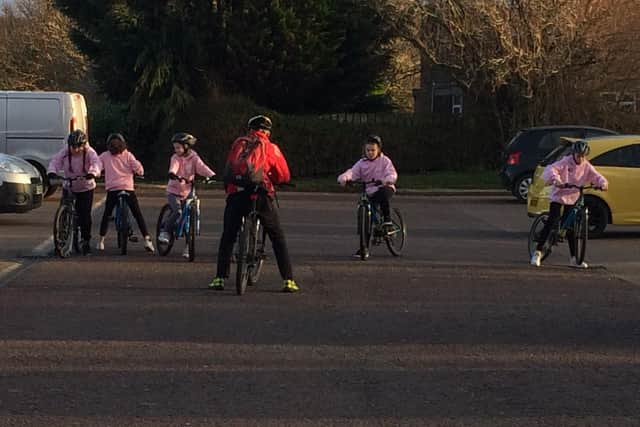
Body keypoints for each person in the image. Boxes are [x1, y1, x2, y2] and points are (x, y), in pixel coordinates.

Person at [209, 115, 299, 292]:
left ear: (249, 129)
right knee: (277, 236)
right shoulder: (271, 148)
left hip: (237, 193)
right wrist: (275, 180)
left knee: (228, 235)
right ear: (267, 131)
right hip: (260, 194)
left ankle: (219, 277)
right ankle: (288, 280)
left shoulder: (239, 144)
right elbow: (283, 174)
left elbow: (230, 168)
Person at [530, 140, 608, 268]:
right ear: (574, 154)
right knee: (552, 220)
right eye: (578, 155)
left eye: (583, 156)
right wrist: (557, 180)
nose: (581, 158)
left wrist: (602, 183)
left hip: (573, 196)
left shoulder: (586, 165)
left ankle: (574, 259)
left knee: (571, 227)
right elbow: (552, 169)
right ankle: (537, 252)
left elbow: (597, 176)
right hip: (559, 194)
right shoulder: (565, 162)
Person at [337, 134, 398, 259]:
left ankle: (387, 220)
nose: (370, 153)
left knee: (383, 195)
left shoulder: (384, 161)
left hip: (384, 187)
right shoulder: (362, 163)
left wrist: (386, 180)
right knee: (366, 218)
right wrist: (344, 178)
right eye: (368, 150)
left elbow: (392, 173)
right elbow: (352, 172)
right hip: (369, 191)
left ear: (378, 150)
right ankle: (364, 247)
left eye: (373, 150)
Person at [158, 132, 216, 258]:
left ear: (186, 147)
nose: (176, 150)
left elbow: (201, 167)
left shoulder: (194, 157)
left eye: (178, 147)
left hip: (188, 190)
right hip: (174, 191)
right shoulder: (175, 158)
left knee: (190, 219)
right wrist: (172, 173)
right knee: (177, 211)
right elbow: (174, 166)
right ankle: (165, 232)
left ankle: (188, 247)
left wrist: (210, 175)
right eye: (175, 147)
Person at [96, 133, 155, 253]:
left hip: (113, 189)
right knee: (137, 214)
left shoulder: (105, 156)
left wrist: (95, 173)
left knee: (107, 214)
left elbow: (97, 166)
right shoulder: (128, 155)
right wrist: (140, 172)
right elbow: (137, 167)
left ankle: (101, 240)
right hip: (128, 188)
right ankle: (147, 239)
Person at [47, 129, 101, 255]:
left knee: (84, 215)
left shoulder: (89, 152)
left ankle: (86, 241)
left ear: (83, 145)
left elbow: (96, 163)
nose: (75, 150)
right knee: (64, 209)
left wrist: (92, 173)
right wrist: (51, 172)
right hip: (69, 184)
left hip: (85, 187)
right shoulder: (66, 151)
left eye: (78, 147)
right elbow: (55, 161)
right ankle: (61, 239)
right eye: (73, 147)